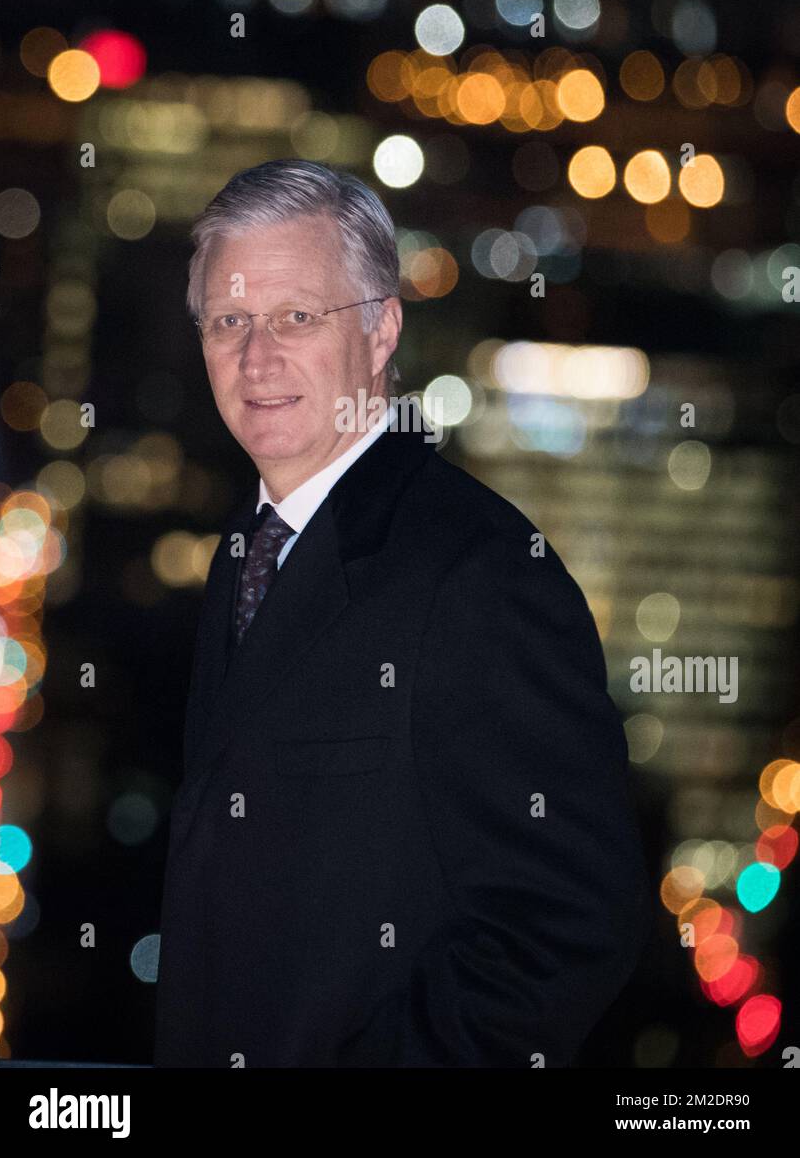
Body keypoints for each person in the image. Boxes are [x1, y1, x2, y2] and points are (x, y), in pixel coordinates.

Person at [153, 157, 651, 1068]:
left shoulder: (483, 577)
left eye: (296, 317)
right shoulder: (248, 548)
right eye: (228, 321)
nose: (256, 358)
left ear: (382, 330)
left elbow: (571, 924)